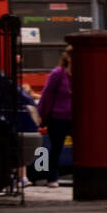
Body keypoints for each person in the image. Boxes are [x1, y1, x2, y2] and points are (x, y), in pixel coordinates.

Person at [36, 48, 72, 187]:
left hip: (75, 117)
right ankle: (52, 177)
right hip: (57, 117)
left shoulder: (82, 73)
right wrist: (41, 114)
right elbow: (46, 94)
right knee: (57, 147)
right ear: (68, 57)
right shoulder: (58, 74)